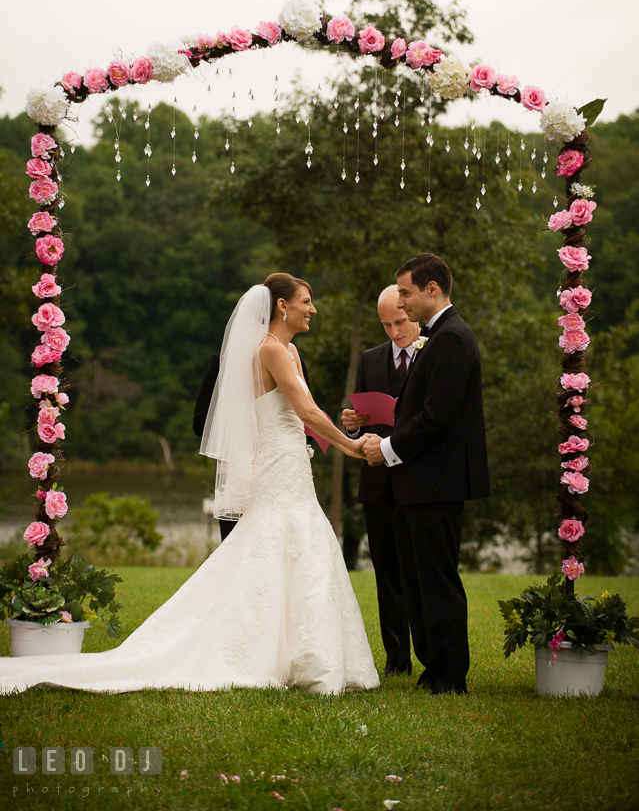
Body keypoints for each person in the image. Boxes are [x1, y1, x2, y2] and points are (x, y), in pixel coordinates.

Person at [0, 274, 379, 696]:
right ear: (282, 306)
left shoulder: (289, 350)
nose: (313, 309)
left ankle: (302, 657)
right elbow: (306, 410)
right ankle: (279, 657)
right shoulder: (270, 350)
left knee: (295, 550)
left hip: (292, 465)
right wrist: (349, 446)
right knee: (275, 546)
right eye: (306, 301)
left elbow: (302, 413)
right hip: (279, 468)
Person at [361, 253, 490, 694]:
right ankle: (433, 666)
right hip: (419, 484)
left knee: (437, 581)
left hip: (438, 482)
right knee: (417, 581)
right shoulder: (440, 337)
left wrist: (388, 448)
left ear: (432, 289)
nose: (401, 300)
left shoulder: (452, 338)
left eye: (406, 291)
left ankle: (451, 677)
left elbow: (438, 417)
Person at [341, 285, 419, 676]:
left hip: (419, 480)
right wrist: (353, 424)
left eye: (400, 322)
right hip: (377, 482)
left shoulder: (433, 353)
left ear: (414, 313)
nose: (394, 331)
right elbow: (363, 420)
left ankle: (430, 656)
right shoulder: (370, 359)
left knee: (418, 573)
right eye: (386, 324)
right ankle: (396, 661)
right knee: (386, 573)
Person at [193, 347, 310, 542]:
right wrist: (250, 425)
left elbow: (304, 414)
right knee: (237, 551)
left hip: (284, 470)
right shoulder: (224, 361)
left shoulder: (291, 358)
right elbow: (200, 422)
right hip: (237, 476)